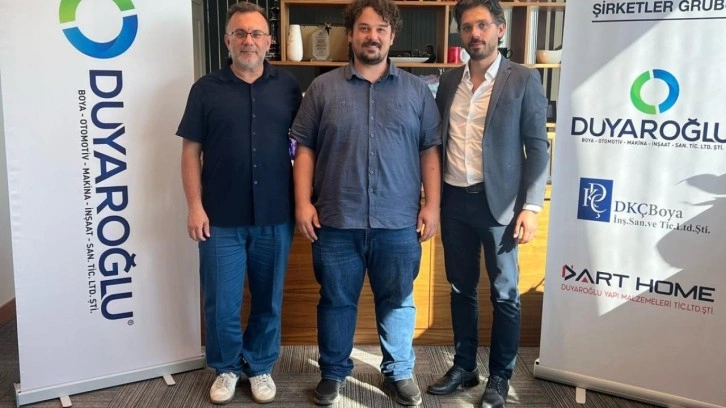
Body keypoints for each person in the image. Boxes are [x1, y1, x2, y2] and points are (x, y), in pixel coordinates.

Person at [290, 0, 442, 405]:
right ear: (351, 34)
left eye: (380, 29)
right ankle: (333, 372)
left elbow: (429, 150)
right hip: (336, 220)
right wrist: (302, 203)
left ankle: (399, 372)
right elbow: (304, 148)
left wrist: (432, 205)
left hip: (398, 221)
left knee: (398, 302)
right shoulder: (322, 89)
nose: (372, 36)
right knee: (336, 301)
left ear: (392, 36)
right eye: (363, 28)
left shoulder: (417, 92)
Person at [424, 1, 549, 407]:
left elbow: (537, 147)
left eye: (482, 25)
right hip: (454, 201)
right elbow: (436, 141)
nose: (474, 34)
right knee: (460, 289)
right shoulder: (448, 81)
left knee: (505, 294)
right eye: (466, 27)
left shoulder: (523, 79)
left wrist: (531, 207)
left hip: (502, 207)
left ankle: (500, 375)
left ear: (499, 29)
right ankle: (465, 367)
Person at [176, 2, 302, 405]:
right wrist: (194, 206)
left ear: (269, 41)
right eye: (240, 33)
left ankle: (260, 365)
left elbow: (304, 150)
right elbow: (190, 152)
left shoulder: (289, 88)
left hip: (275, 216)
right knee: (221, 303)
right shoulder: (205, 89)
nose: (249, 40)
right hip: (219, 218)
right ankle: (227, 367)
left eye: (256, 33)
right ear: (227, 40)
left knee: (268, 300)